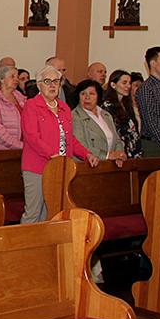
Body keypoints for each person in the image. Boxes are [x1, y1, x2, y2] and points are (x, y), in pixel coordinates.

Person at [20, 65, 97, 225]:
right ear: (39, 85)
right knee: (33, 213)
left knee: (51, 213)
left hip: (60, 168)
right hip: (37, 167)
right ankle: (22, 242)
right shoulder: (31, 105)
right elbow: (32, 137)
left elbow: (70, 139)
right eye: (47, 81)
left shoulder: (64, 107)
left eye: (56, 81)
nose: (52, 85)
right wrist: (52, 155)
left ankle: (45, 241)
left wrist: (87, 154)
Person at [71, 79, 125, 162]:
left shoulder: (106, 115)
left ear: (98, 96)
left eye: (92, 94)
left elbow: (117, 140)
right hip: (87, 165)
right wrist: (107, 156)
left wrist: (119, 155)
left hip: (110, 165)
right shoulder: (75, 116)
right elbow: (81, 146)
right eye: (83, 94)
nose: (87, 97)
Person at [103, 69, 142, 158]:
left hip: (133, 150)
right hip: (119, 151)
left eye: (129, 83)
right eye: (124, 83)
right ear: (113, 85)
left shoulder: (127, 105)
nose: (128, 86)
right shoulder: (107, 106)